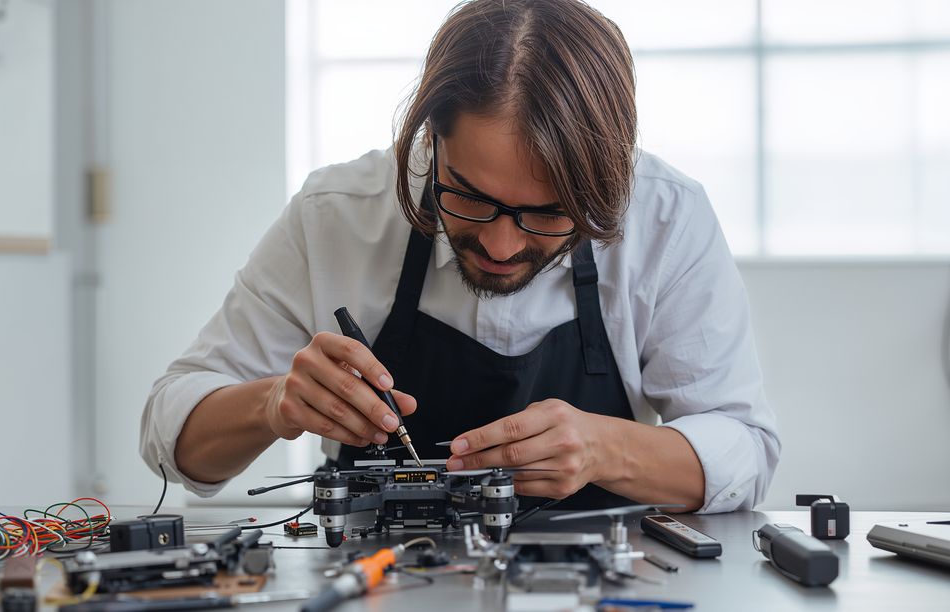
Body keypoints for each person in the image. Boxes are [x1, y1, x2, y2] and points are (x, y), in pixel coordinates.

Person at [141, 0, 779, 513]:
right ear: (429, 139)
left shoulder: (667, 217)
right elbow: (172, 440)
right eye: (470, 198)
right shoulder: (334, 213)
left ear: (604, 185)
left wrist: (606, 448)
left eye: (549, 214)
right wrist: (273, 402)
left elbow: (746, 454)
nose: (502, 247)